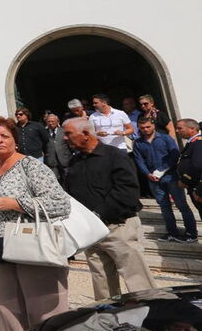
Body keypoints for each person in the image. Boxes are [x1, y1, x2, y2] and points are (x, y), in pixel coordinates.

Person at [0, 115, 71, 331]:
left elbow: (61, 204)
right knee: (9, 314)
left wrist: (17, 203)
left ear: (15, 140)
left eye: (4, 136)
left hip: (33, 248)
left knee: (45, 313)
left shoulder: (31, 166)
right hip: (1, 249)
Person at [63, 117, 155, 300]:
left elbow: (126, 192)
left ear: (86, 134)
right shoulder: (74, 163)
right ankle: (108, 319)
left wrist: (98, 214)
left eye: (68, 134)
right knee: (102, 283)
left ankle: (153, 316)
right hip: (91, 233)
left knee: (138, 279)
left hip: (118, 227)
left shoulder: (115, 156)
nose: (64, 138)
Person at [133, 117, 196, 242]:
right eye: (142, 128)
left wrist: (162, 170)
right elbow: (139, 160)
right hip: (153, 180)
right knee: (164, 206)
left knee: (182, 205)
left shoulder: (166, 138)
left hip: (171, 177)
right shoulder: (138, 143)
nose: (145, 130)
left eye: (148, 127)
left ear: (153, 126)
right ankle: (172, 232)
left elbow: (174, 155)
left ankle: (191, 233)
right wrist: (147, 174)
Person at [176, 118, 202, 221]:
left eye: (180, 128)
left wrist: (185, 180)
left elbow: (198, 166)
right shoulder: (192, 143)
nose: (177, 131)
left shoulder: (198, 143)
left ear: (192, 129)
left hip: (197, 188)